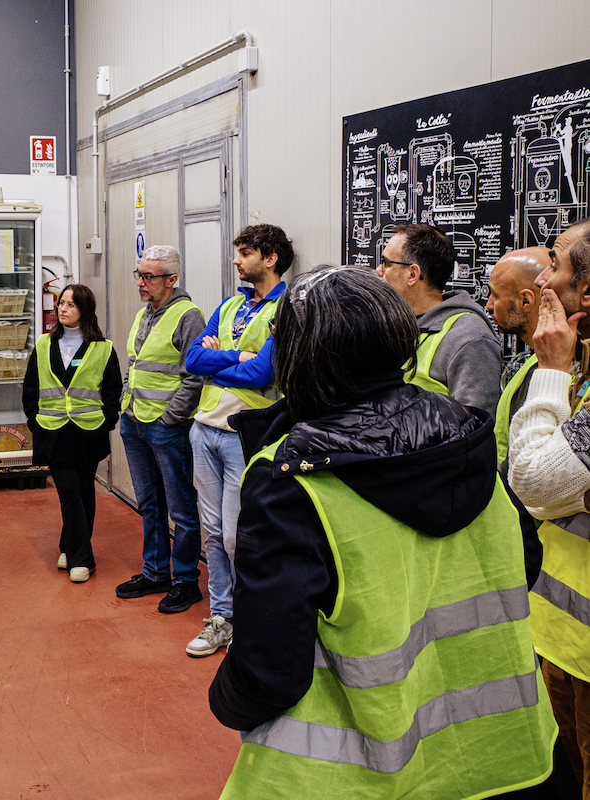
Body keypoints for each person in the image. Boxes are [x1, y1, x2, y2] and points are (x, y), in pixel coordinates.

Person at [209, 265, 556, 798]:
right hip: (500, 755)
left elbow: (270, 670)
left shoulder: (291, 478)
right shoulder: (467, 436)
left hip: (361, 773)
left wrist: (227, 701)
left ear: (298, 355)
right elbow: (521, 563)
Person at [182, 224, 291, 657]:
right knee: (212, 532)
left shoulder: (287, 309)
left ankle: (251, 617)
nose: (236, 260)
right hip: (204, 429)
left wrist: (215, 361)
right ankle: (221, 617)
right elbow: (191, 358)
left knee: (235, 535)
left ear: (270, 258)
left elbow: (264, 373)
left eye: (245, 252)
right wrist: (232, 357)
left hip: (246, 435)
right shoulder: (230, 305)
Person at [509, 219, 590, 798]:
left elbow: (534, 482)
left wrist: (552, 372)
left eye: (557, 266)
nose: (544, 282)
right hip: (563, 637)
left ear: (587, 294)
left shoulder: (565, 367)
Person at [116, 245, 206, 614]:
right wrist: (126, 403)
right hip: (134, 422)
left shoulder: (188, 316)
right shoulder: (144, 314)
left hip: (165, 428)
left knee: (181, 509)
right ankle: (155, 572)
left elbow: (197, 374)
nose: (140, 282)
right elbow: (135, 365)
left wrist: (170, 418)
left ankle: (185, 581)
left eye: (148, 276)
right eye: (138, 274)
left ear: (171, 279)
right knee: (150, 504)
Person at [22, 284, 121, 583]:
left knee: (83, 491)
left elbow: (112, 391)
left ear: (85, 310)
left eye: (70, 305)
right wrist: (34, 422)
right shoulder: (42, 344)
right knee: (68, 490)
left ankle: (68, 545)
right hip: (52, 430)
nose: (62, 309)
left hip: (88, 431)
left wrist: (107, 421)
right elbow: (31, 387)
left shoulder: (103, 348)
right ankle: (82, 558)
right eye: (60, 303)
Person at [378, 223, 502, 417]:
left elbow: (475, 431)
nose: (378, 271)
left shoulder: (469, 339)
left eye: (386, 263)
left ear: (412, 274)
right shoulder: (392, 325)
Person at [486, 247, 550, 474]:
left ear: (525, 300)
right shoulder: (535, 361)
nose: (488, 305)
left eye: (495, 295)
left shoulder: (549, 370)